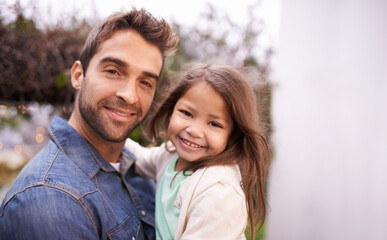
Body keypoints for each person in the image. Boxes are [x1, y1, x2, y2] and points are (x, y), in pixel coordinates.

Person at [0, 8, 178, 239]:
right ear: (78, 75)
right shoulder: (52, 199)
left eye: (145, 82)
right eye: (113, 71)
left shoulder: (139, 168)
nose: (130, 95)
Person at [125, 64, 271, 240]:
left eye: (214, 124)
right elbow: (138, 157)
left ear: (233, 135)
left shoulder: (219, 194)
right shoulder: (170, 155)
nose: (194, 130)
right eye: (187, 113)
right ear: (172, 110)